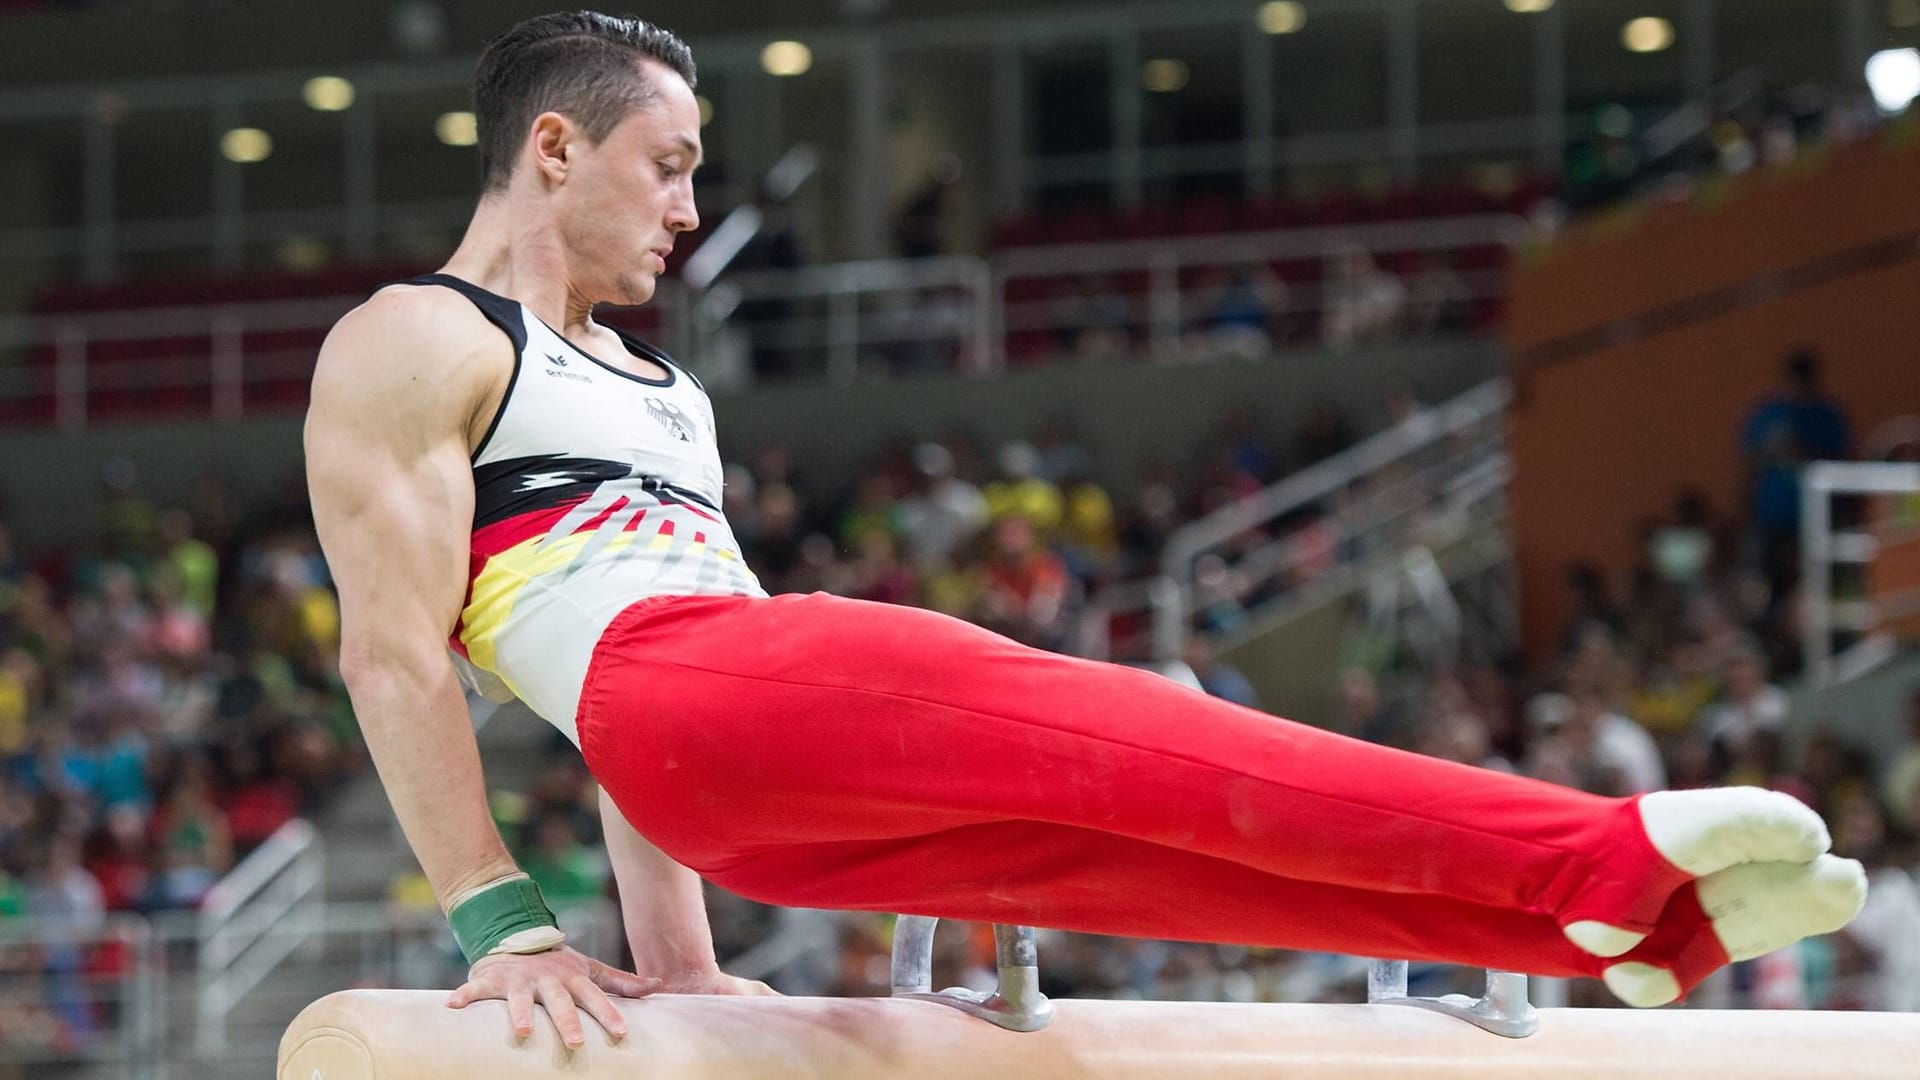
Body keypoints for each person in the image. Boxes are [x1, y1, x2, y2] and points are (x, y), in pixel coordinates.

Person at [305, 12, 1869, 1054]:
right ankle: (1592, 847)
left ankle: (1603, 928)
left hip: (732, 773)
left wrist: (684, 967)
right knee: (1154, 734)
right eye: (672, 163)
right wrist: (503, 920)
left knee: (1156, 855)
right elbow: (392, 655)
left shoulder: (663, 392)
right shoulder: (416, 339)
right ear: (557, 151)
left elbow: (669, 749)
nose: (691, 206)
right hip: (681, 685)